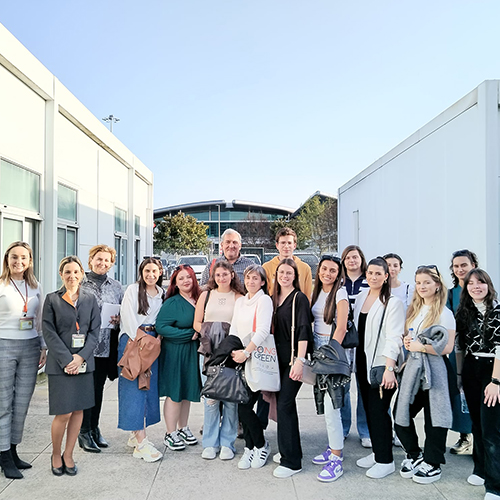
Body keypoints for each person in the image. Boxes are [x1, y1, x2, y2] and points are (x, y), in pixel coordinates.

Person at [394, 265, 455, 484]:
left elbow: (447, 348)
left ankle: (433, 463)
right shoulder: (414, 310)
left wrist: (420, 347)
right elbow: (410, 338)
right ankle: (414, 454)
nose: (422, 286)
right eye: (418, 282)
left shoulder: (444, 313)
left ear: (437, 285)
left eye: (427, 282)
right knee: (401, 413)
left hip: (436, 371)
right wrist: (407, 342)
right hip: (414, 370)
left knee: (434, 418)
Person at [42, 256, 101, 476]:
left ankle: (68, 454)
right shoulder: (52, 300)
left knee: (78, 411)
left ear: (82, 274)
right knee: (64, 413)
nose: (72, 276)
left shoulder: (90, 299)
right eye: (67, 272)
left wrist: (81, 358)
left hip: (83, 364)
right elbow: (49, 332)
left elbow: (95, 332)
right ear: (61, 274)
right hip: (60, 365)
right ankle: (56, 454)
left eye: (76, 272)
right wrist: (68, 359)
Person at [353, 257, 404, 479]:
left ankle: (385, 461)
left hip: (382, 365)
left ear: (386, 276)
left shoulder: (393, 302)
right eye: (370, 273)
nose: (373, 277)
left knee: (379, 411)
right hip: (362, 362)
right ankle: (377, 453)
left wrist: (390, 369)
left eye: (378, 274)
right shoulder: (362, 296)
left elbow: (395, 338)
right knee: (369, 409)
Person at [0, 242, 46, 479]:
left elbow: (38, 320)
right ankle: (4, 455)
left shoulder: (35, 286)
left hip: (30, 346)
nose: (19, 262)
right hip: (3, 345)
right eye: (14, 257)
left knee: (21, 403)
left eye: (23, 258)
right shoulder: (1, 285)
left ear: (30, 261)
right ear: (7, 259)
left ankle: (13, 449)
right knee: (3, 403)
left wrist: (43, 346)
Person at [455, 269, 500, 498]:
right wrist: (459, 375)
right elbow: (460, 347)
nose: (476, 287)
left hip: (492, 369)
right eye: (471, 283)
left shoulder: (498, 311)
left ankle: (495, 485)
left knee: (491, 429)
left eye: (480, 282)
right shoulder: (464, 312)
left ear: (488, 285)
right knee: (477, 424)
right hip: (471, 369)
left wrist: (496, 381)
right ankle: (480, 470)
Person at [194, 261, 244, 460]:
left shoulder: (238, 297)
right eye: (218, 275)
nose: (221, 278)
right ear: (213, 277)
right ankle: (210, 443)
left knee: (230, 398)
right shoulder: (206, 295)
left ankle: (227, 443)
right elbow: (196, 322)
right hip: (208, 352)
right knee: (211, 398)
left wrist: (228, 341)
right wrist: (209, 333)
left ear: (232, 275)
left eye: (225, 274)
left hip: (229, 353)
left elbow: (241, 325)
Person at [118, 257, 164, 462]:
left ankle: (135, 432)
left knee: (147, 389)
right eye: (147, 271)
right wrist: (143, 340)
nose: (151, 275)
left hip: (152, 342)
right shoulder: (133, 290)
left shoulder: (161, 293)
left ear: (160, 273)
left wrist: (157, 340)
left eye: (154, 271)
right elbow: (128, 318)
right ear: (141, 272)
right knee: (134, 389)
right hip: (134, 340)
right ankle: (141, 443)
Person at [78, 244, 123, 453]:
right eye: (99, 259)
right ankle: (83, 431)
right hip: (84, 346)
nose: (102, 263)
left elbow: (122, 312)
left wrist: (119, 319)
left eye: (106, 260)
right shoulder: (79, 283)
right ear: (90, 260)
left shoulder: (116, 286)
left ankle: (94, 428)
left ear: (111, 263)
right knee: (86, 390)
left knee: (98, 389)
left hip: (105, 345)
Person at [228, 265, 273, 470]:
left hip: (256, 358)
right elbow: (234, 327)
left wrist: (246, 352)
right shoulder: (241, 301)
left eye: (256, 278)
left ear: (262, 282)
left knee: (245, 406)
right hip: (240, 358)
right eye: (248, 278)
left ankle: (261, 445)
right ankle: (249, 447)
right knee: (241, 405)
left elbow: (263, 330)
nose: (251, 282)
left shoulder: (264, 300)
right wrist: (234, 351)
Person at [271, 258, 313, 478]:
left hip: (292, 359)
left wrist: (300, 360)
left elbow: (304, 330)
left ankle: (292, 462)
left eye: (289, 273)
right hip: (275, 360)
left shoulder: (299, 298)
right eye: (281, 272)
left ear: (295, 276)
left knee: (285, 404)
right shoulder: (273, 298)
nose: (284, 276)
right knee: (283, 406)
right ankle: (289, 449)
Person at [310, 255, 348, 482]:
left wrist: (329, 355)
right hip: (318, 348)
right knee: (325, 404)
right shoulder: (317, 292)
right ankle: (334, 448)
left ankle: (336, 459)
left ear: (338, 274)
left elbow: (341, 328)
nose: (327, 273)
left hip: (331, 350)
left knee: (332, 405)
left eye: (333, 270)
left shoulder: (340, 293)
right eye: (324, 269)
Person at [156, 264, 201, 451]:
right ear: (174, 282)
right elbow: (161, 327)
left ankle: (183, 428)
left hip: (191, 351)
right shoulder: (172, 302)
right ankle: (170, 432)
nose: (186, 281)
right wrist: (188, 334)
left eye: (188, 277)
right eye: (181, 278)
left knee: (186, 391)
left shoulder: (199, 299)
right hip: (175, 352)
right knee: (175, 392)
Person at [446, 249, 478, 455]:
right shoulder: (451, 293)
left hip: (480, 351)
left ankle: (482, 440)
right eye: (456, 266)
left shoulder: (481, 288)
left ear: (473, 265)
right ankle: (465, 437)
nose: (460, 269)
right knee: (460, 394)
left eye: (464, 265)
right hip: (458, 351)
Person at [340, 245, 371, 447]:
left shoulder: (369, 280)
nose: (352, 261)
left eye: (355, 257)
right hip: (343, 340)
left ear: (361, 259)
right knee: (342, 386)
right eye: (348, 258)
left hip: (364, 339)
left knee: (363, 386)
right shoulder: (339, 282)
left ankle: (365, 430)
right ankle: (343, 427)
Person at [263, 228, 312, 299]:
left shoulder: (305, 268)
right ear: (277, 245)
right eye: (283, 243)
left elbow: (307, 296)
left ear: (294, 245)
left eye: (289, 243)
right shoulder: (266, 268)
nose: (286, 246)